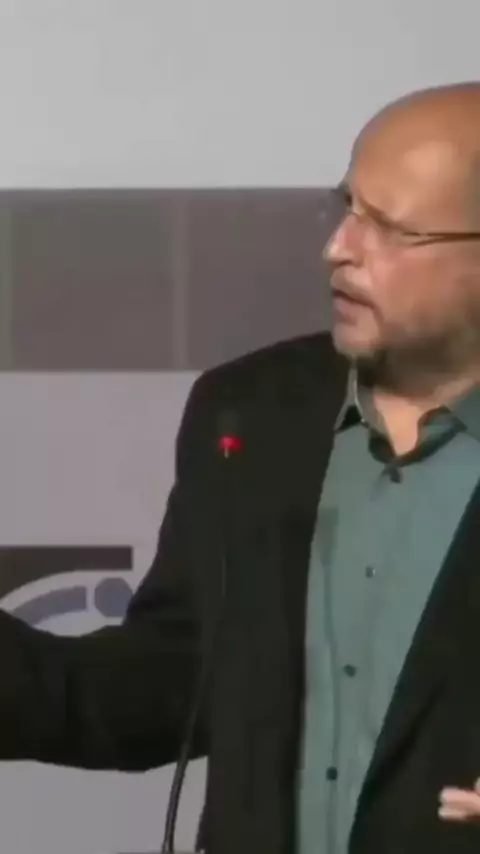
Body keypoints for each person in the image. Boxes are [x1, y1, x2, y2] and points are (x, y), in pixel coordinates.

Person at [3, 81, 480, 854]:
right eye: (347, 207)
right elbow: (168, 684)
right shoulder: (252, 414)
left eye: (391, 228)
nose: (340, 248)